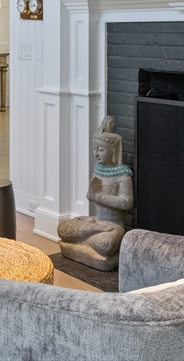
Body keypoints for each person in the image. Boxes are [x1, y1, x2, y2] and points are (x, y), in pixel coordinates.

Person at [57, 116, 134, 271]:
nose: (96, 153)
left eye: (101, 149)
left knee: (106, 243)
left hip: (113, 225)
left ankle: (86, 238)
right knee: (63, 228)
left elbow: (127, 202)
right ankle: (92, 232)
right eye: (94, 149)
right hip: (96, 222)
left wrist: (100, 196)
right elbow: (90, 195)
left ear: (113, 151)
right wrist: (92, 193)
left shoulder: (122, 176)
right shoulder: (98, 171)